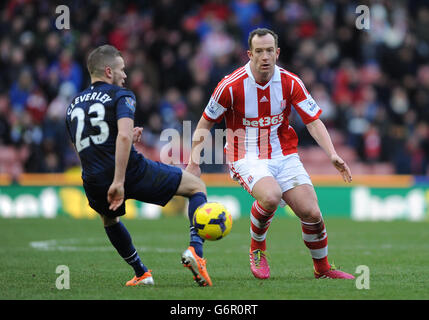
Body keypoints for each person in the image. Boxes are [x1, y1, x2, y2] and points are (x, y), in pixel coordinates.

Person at [186, 28, 355, 280]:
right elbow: (205, 123)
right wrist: (193, 163)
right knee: (272, 196)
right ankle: (257, 247)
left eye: (269, 50)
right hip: (244, 154)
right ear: (249, 54)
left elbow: (313, 121)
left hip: (283, 154)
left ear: (277, 53)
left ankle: (322, 269)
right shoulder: (230, 86)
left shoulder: (290, 82)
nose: (264, 56)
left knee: (312, 213)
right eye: (259, 51)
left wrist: (332, 153)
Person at [65, 45, 212, 287]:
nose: (125, 75)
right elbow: (123, 137)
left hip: (93, 178)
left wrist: (112, 156)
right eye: (122, 70)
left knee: (110, 221)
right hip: (129, 171)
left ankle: (142, 273)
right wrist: (119, 181)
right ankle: (196, 251)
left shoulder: (73, 106)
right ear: (109, 71)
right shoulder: (122, 95)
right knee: (196, 186)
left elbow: (85, 145)